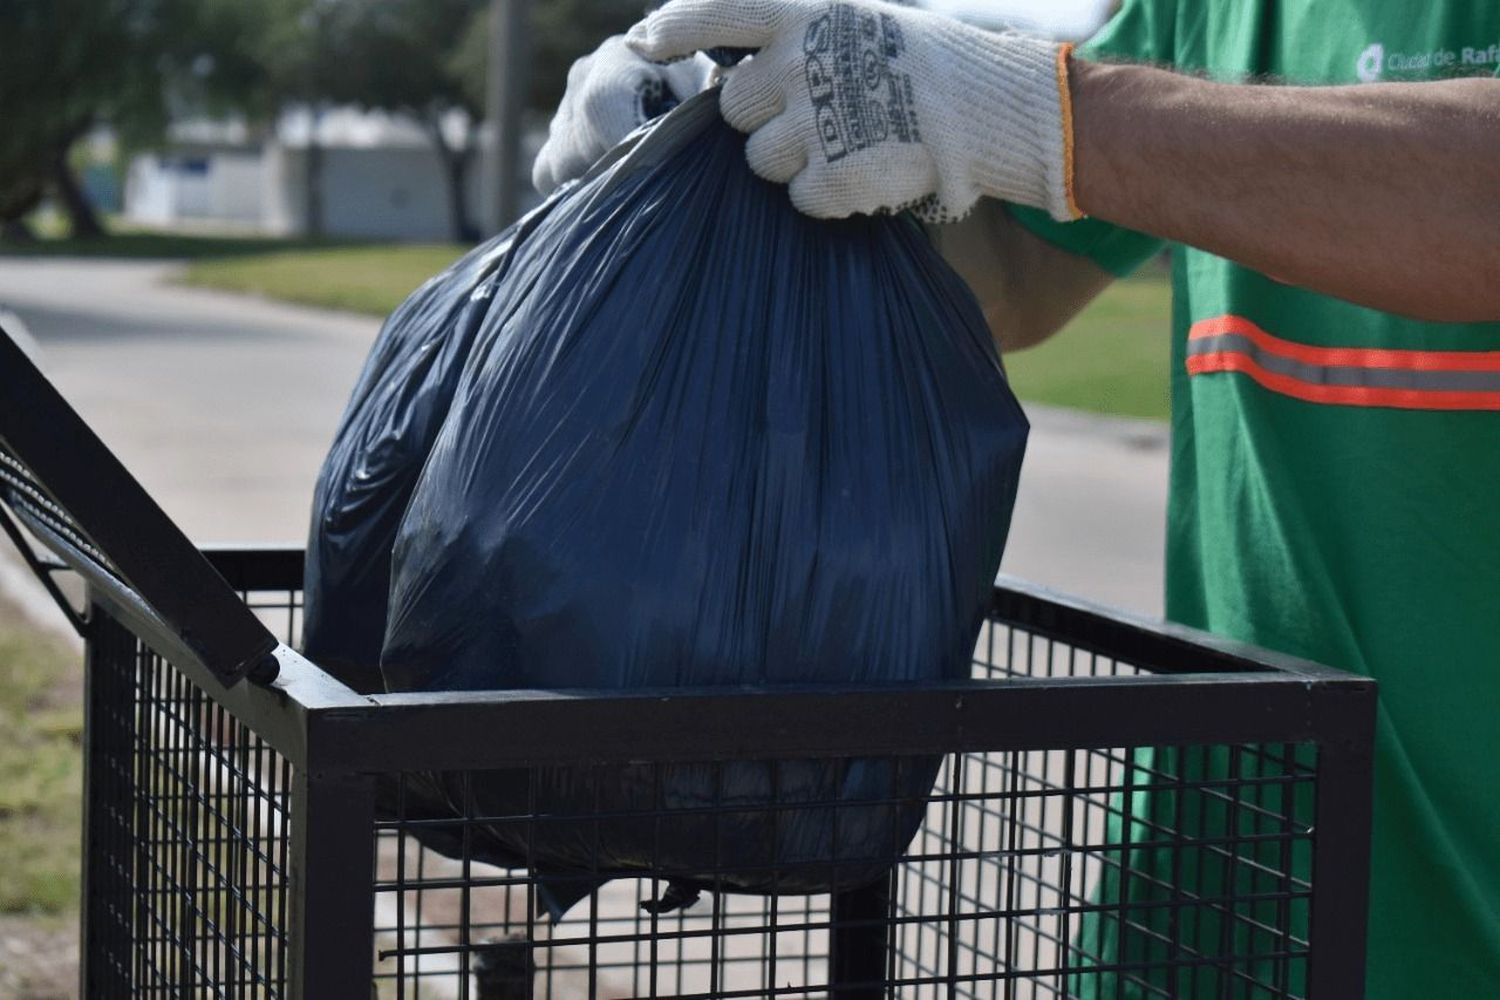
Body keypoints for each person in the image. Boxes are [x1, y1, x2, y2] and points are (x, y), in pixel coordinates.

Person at [533, 0, 1500, 994]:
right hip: (1203, 916)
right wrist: (725, 157)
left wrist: (1044, 113)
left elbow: (1070, 132)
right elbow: (1012, 270)